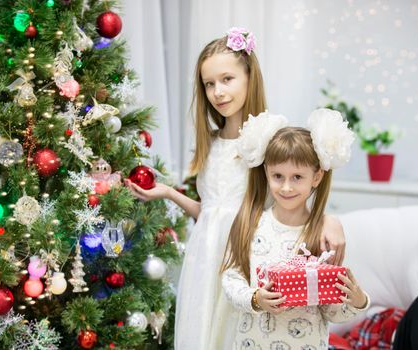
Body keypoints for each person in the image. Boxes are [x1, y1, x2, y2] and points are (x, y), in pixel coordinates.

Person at [125, 28, 346, 349]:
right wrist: (171, 193)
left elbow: (297, 184)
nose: (218, 91)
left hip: (246, 252)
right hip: (205, 256)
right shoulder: (210, 142)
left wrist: (329, 218)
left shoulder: (269, 138)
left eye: (227, 79)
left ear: (249, 77)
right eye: (209, 84)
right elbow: (211, 212)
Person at [221, 108, 370, 349]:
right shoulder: (250, 224)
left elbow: (331, 310)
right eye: (278, 176)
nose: (286, 187)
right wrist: (256, 298)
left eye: (297, 177)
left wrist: (358, 301)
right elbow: (231, 279)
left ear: (317, 177)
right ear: (266, 173)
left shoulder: (323, 236)